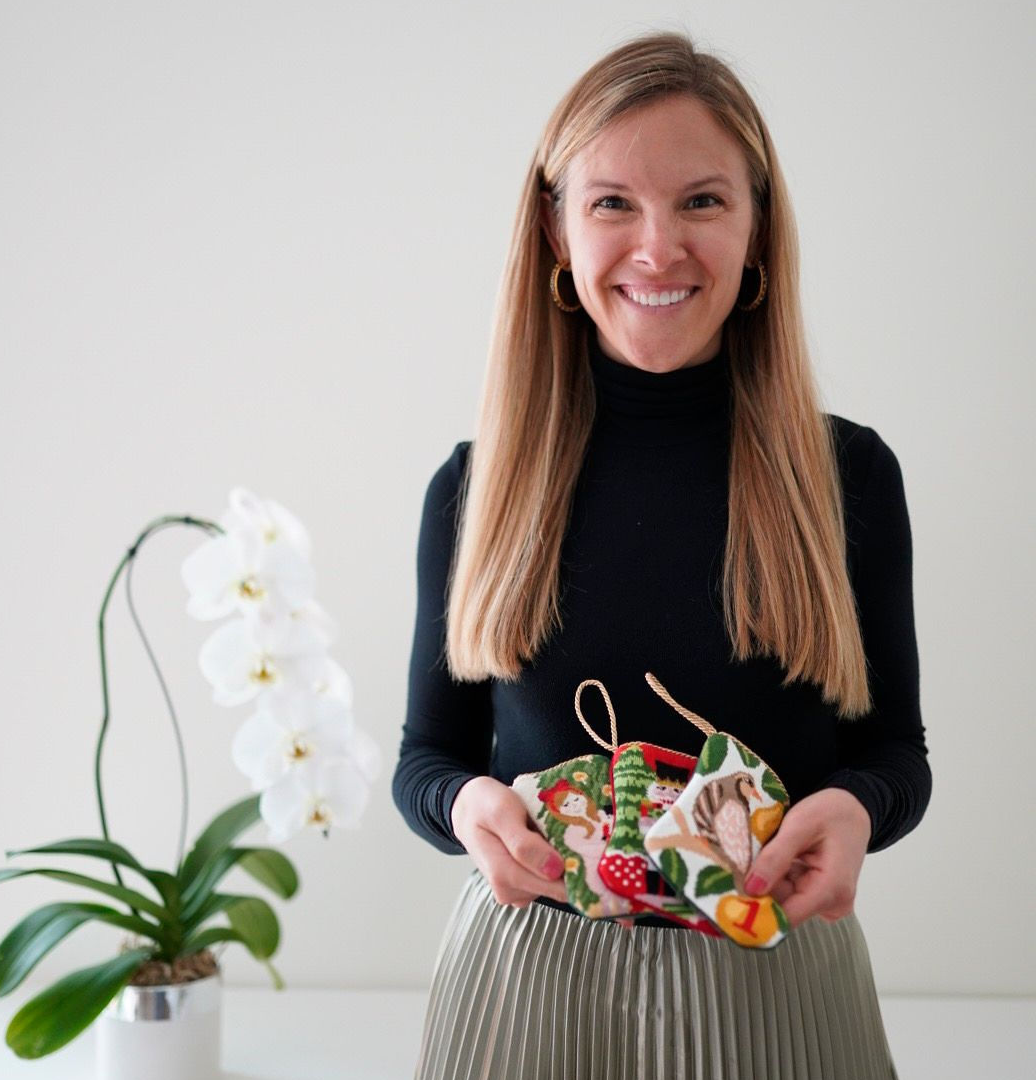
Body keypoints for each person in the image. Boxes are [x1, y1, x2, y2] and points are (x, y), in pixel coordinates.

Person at [392, 30, 930, 1080]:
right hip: (524, 993)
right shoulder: (474, 488)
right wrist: (466, 809)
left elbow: (896, 754)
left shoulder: (848, 477)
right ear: (553, 230)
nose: (656, 249)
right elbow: (427, 758)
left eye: (702, 201)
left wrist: (859, 807)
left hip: (776, 984)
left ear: (759, 230)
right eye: (611, 204)